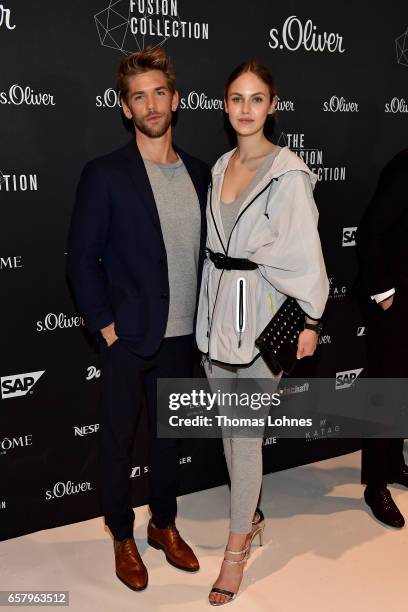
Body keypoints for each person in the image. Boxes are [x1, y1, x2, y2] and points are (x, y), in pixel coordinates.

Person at [67, 47, 211, 591]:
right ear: (126, 108)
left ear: (175, 100)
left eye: (158, 93)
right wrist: (105, 327)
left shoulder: (200, 173)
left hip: (183, 336)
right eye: (138, 96)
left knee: (168, 440)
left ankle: (165, 525)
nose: (150, 104)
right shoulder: (104, 174)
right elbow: (81, 259)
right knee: (117, 440)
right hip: (128, 336)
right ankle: (123, 535)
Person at [196, 60, 329, 606]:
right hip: (214, 317)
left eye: (256, 99)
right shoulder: (220, 165)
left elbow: (305, 254)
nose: (245, 109)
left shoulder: (288, 174)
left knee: (245, 438)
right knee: (230, 432)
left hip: (262, 317)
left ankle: (235, 550)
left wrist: (312, 319)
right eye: (235, 98)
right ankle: (247, 513)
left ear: (272, 105)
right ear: (224, 107)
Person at [356, 149, 408, 528]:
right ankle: (375, 485)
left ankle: (394, 462)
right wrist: (384, 295)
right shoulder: (405, 165)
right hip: (393, 302)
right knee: (386, 390)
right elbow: (370, 230)